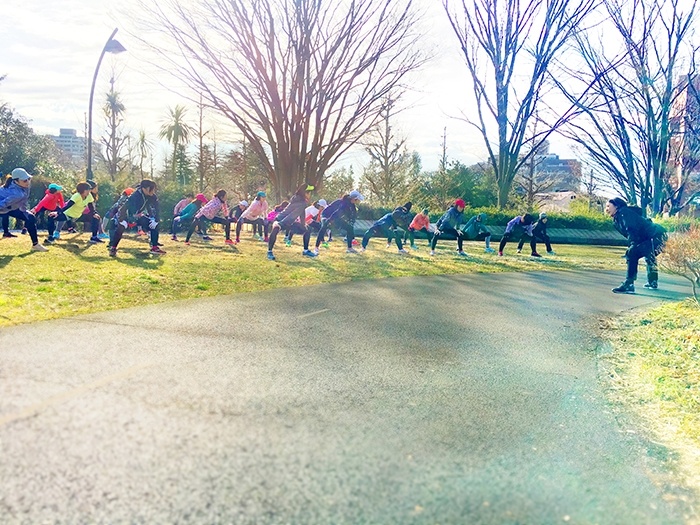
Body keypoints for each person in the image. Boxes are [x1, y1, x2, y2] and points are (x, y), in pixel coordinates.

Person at [605, 197, 667, 293]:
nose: (606, 209)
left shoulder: (624, 213)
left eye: (608, 206)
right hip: (653, 236)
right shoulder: (617, 219)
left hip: (656, 235)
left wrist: (632, 245)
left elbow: (632, 230)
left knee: (633, 254)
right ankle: (652, 282)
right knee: (648, 255)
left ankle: (629, 284)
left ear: (616, 206)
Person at [107, 179, 165, 256]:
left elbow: (157, 207)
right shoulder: (135, 196)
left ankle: (154, 247)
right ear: (144, 188)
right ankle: (113, 248)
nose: (153, 191)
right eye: (151, 189)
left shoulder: (152, 196)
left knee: (154, 225)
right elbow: (124, 208)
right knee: (121, 227)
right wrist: (122, 219)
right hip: (127, 216)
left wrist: (156, 220)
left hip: (138, 216)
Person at [0, 168, 47, 251]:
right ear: (16, 181)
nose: (28, 182)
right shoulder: (16, 194)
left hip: (11, 207)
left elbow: (24, 200)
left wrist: (25, 212)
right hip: (3, 206)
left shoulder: (25, 186)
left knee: (30, 218)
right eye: (25, 180)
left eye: (29, 179)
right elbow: (3, 204)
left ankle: (35, 245)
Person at [267, 184, 315, 260]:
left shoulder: (299, 200)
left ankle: (306, 251)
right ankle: (269, 252)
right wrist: (281, 223)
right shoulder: (301, 202)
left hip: (288, 221)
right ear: (305, 193)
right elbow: (292, 214)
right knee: (276, 228)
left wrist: (303, 224)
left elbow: (302, 213)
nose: (310, 195)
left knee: (307, 229)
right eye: (309, 193)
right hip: (281, 219)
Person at [313, 190, 364, 254]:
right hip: (326, 215)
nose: (358, 201)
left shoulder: (352, 205)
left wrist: (351, 221)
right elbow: (337, 212)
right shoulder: (342, 203)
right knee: (324, 227)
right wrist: (329, 220)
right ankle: (316, 248)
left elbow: (353, 214)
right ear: (354, 199)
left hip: (336, 217)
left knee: (350, 228)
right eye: (358, 200)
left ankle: (349, 248)